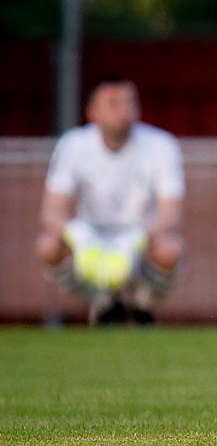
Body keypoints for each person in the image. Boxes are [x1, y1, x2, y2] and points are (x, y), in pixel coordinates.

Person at [37, 76, 187, 325]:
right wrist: (81, 235)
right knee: (48, 245)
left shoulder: (161, 145)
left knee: (170, 248)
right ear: (92, 112)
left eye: (130, 102)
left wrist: (135, 239)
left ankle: (142, 304)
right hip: (93, 241)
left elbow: (171, 215)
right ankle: (103, 303)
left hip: (140, 239)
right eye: (113, 103)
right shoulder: (74, 145)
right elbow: (51, 212)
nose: (125, 111)